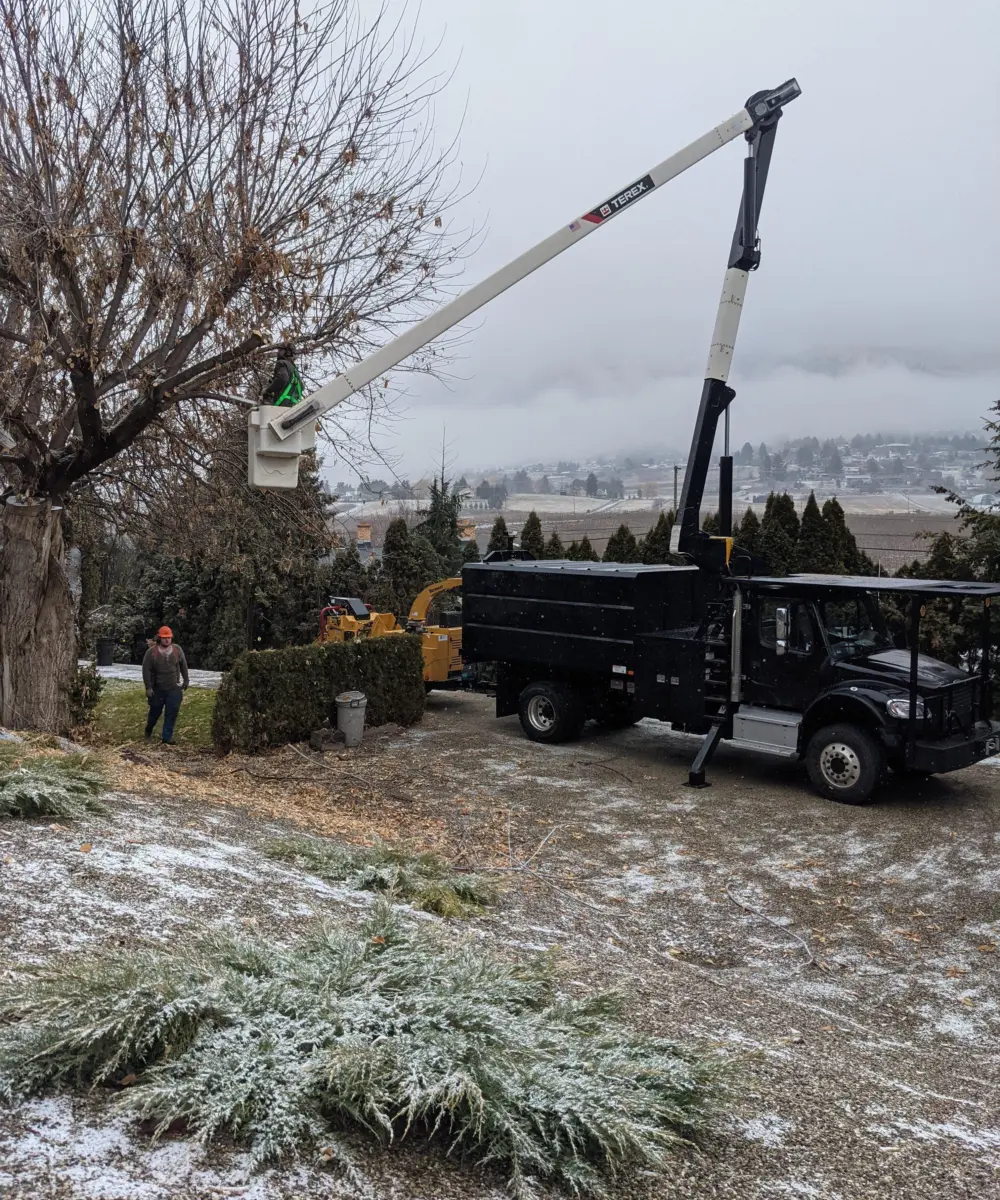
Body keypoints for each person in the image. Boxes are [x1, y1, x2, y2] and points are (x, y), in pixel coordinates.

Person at [142, 626, 189, 745]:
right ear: (159, 638)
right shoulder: (152, 652)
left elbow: (183, 665)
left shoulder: (177, 650)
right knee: (155, 713)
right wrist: (148, 687)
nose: (167, 640)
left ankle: (167, 737)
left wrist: (186, 680)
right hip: (157, 688)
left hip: (174, 688)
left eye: (169, 638)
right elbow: (146, 670)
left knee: (171, 712)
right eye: (164, 638)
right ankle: (148, 730)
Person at [261, 343, 303, 407]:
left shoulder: (282, 363)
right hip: (293, 405)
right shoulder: (294, 371)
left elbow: (282, 379)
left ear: (288, 352)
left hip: (281, 404)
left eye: (280, 350)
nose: (278, 353)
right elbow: (302, 387)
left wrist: (268, 390)